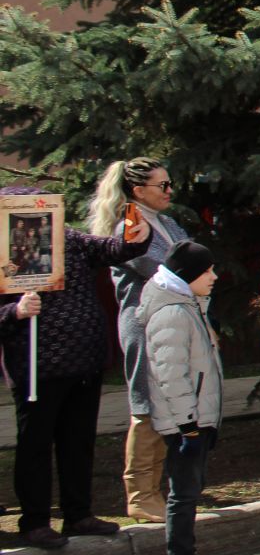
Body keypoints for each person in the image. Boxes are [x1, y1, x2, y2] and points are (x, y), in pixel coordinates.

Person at [0, 189, 151, 550]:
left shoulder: (70, 240)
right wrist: (16, 312)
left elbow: (116, 250)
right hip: (37, 366)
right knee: (35, 445)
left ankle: (78, 513)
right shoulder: (5, 252)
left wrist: (134, 236)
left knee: (78, 441)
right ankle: (35, 520)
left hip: (83, 360)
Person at [91, 157, 190, 523]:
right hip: (145, 324)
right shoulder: (129, 227)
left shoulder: (166, 223)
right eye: (162, 186)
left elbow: (193, 261)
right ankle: (139, 494)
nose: (169, 191)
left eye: (169, 184)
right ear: (138, 191)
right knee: (146, 405)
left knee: (168, 406)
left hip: (176, 323)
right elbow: (160, 272)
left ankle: (156, 490)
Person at [139, 240, 227, 555]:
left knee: (189, 492)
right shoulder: (173, 314)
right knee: (183, 495)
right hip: (184, 423)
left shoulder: (189, 306)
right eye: (207, 271)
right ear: (187, 275)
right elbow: (170, 376)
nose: (214, 276)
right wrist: (188, 424)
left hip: (195, 419)